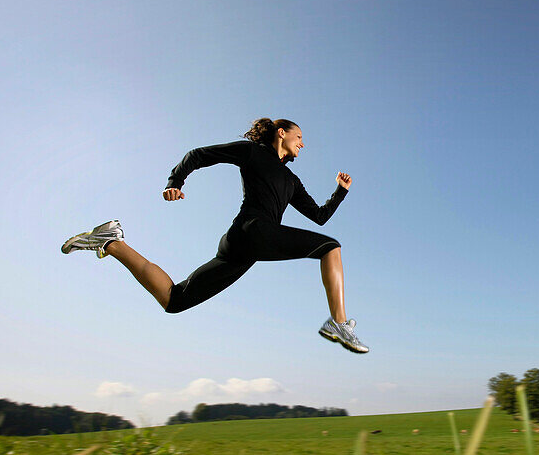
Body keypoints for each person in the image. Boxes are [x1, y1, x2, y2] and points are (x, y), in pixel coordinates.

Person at [61, 117, 368, 353]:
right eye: (299, 137)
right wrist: (176, 181)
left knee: (174, 300)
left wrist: (340, 192)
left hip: (243, 246)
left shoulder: (291, 180)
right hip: (253, 230)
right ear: (282, 133)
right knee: (331, 248)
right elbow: (198, 154)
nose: (302, 144)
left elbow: (319, 217)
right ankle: (338, 323)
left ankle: (111, 242)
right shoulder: (252, 153)